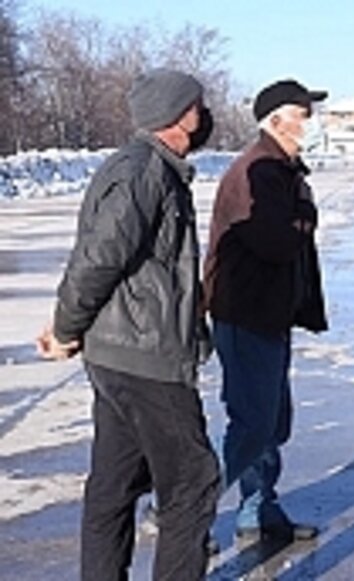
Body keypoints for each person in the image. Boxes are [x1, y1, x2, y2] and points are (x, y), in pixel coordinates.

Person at [37, 68, 220, 580]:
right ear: (178, 115)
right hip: (145, 358)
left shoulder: (153, 169)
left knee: (115, 484)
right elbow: (98, 258)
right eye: (198, 106)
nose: (204, 116)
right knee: (192, 483)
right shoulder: (143, 172)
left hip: (123, 352)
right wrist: (66, 327)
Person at [203, 79, 328, 542]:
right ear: (275, 121)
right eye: (304, 114)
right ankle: (185, 508)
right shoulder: (253, 171)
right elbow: (277, 241)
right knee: (253, 424)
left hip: (270, 313)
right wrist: (308, 213)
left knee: (272, 421)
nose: (311, 123)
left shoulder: (281, 169)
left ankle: (258, 510)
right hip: (245, 314)